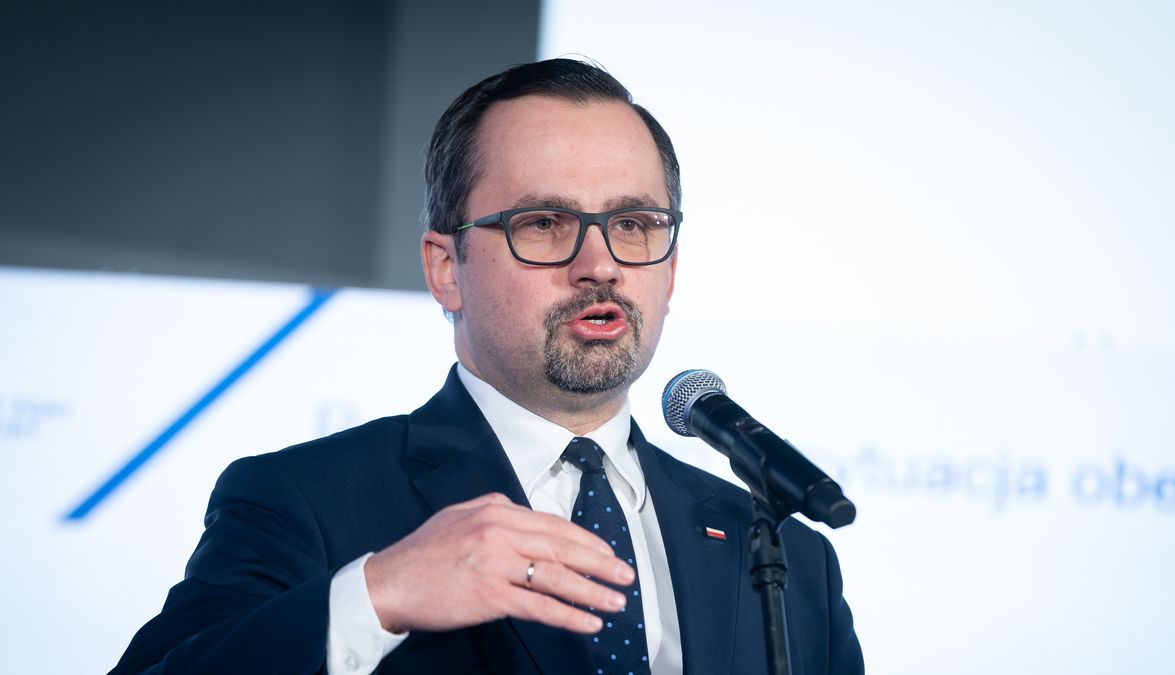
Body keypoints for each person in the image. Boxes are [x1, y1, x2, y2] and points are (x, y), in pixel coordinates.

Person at [111, 58, 864, 675]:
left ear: (671, 269)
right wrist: (378, 596)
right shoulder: (303, 500)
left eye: (634, 224)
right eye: (545, 223)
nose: (599, 264)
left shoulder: (787, 558)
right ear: (445, 269)